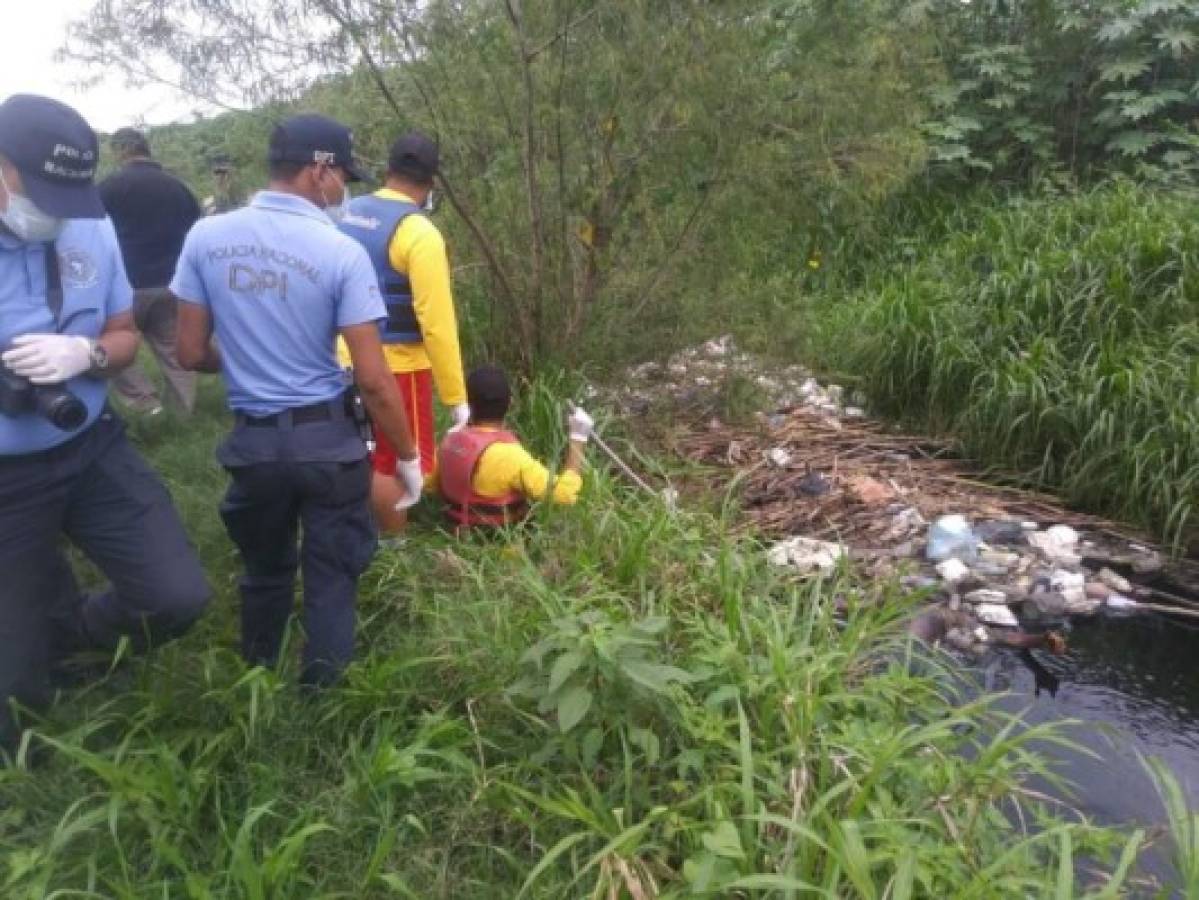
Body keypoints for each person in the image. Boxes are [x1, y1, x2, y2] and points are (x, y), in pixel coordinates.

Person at [173, 114, 424, 687]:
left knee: (264, 571)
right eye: (343, 177)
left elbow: (188, 352)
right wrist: (407, 457)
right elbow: (375, 379)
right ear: (319, 170)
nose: (345, 191)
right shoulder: (339, 252)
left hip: (255, 444)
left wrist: (242, 354)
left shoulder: (205, 238)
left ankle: (257, 682)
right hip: (326, 447)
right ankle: (323, 706)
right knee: (332, 577)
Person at [0, 95, 211, 754]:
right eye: (38, 190)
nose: (53, 208)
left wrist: (87, 354)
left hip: (89, 444)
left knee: (176, 597)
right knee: (15, 696)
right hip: (7, 477)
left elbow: (122, 333)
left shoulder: (88, 225)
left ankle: (65, 633)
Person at [338, 132, 468, 533]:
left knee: (359, 448)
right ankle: (395, 547)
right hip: (399, 368)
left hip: (340, 356)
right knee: (404, 462)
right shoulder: (419, 232)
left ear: (388, 170)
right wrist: (455, 397)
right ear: (431, 183)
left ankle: (356, 522)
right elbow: (436, 323)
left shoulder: (348, 212)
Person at [99, 127, 202, 416]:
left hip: (127, 285)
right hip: (172, 284)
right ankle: (183, 413)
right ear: (147, 149)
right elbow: (197, 230)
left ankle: (146, 405)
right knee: (173, 349)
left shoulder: (109, 187)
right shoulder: (178, 187)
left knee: (120, 346)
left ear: (120, 151)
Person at [428, 365, 593, 528]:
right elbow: (565, 494)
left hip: (452, 531)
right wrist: (578, 438)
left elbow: (428, 483)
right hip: (496, 543)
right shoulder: (510, 456)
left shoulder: (449, 440)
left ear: (468, 405)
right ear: (510, 403)